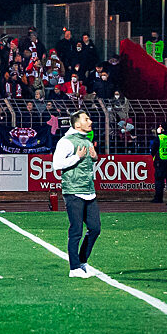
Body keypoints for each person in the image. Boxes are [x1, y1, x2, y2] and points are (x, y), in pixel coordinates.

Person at [53, 110, 101, 278]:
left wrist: (95, 158)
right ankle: (74, 268)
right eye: (86, 119)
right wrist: (76, 157)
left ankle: (82, 263)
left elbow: (88, 164)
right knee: (76, 231)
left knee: (95, 228)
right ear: (77, 124)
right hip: (73, 191)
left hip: (89, 191)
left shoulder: (87, 141)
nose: (90, 121)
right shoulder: (65, 142)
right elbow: (56, 164)